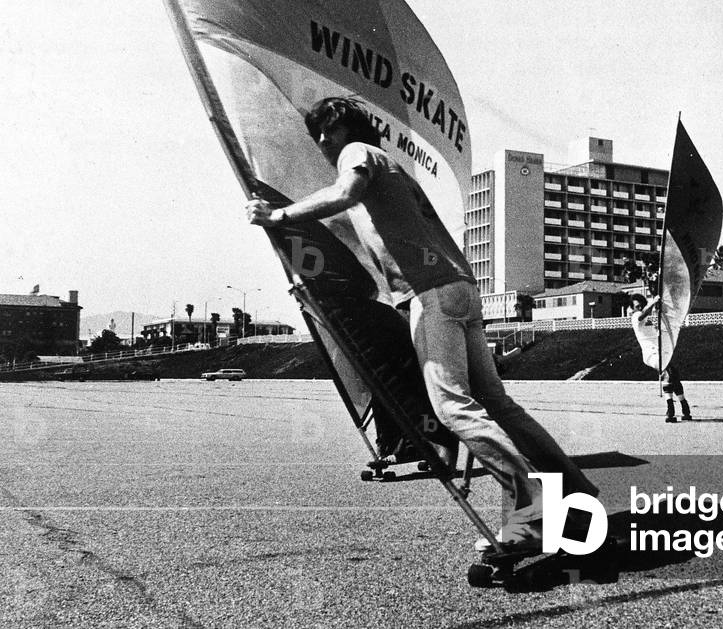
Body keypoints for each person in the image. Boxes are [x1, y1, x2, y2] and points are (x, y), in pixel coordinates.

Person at [246, 97, 597, 550]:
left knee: (452, 408)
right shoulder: (393, 169)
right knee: (498, 405)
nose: (321, 141)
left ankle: (533, 510)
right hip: (463, 291)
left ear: (349, 129)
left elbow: (344, 194)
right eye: (317, 134)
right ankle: (575, 491)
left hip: (432, 293)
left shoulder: (359, 154)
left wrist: (278, 216)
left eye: (326, 131)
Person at [629, 294, 691, 422]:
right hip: (650, 354)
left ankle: (684, 405)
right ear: (633, 308)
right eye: (637, 306)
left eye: (641, 305)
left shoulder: (649, 320)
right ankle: (670, 408)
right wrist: (653, 302)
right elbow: (643, 314)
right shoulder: (636, 317)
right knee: (667, 373)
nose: (639, 308)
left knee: (674, 374)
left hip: (660, 351)